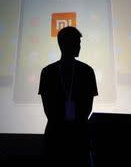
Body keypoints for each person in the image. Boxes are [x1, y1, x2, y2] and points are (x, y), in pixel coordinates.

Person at [38, 26, 98, 166]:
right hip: (58, 137)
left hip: (75, 136)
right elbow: (49, 110)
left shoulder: (87, 71)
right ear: (64, 44)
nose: (79, 47)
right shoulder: (48, 72)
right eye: (77, 42)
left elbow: (87, 109)